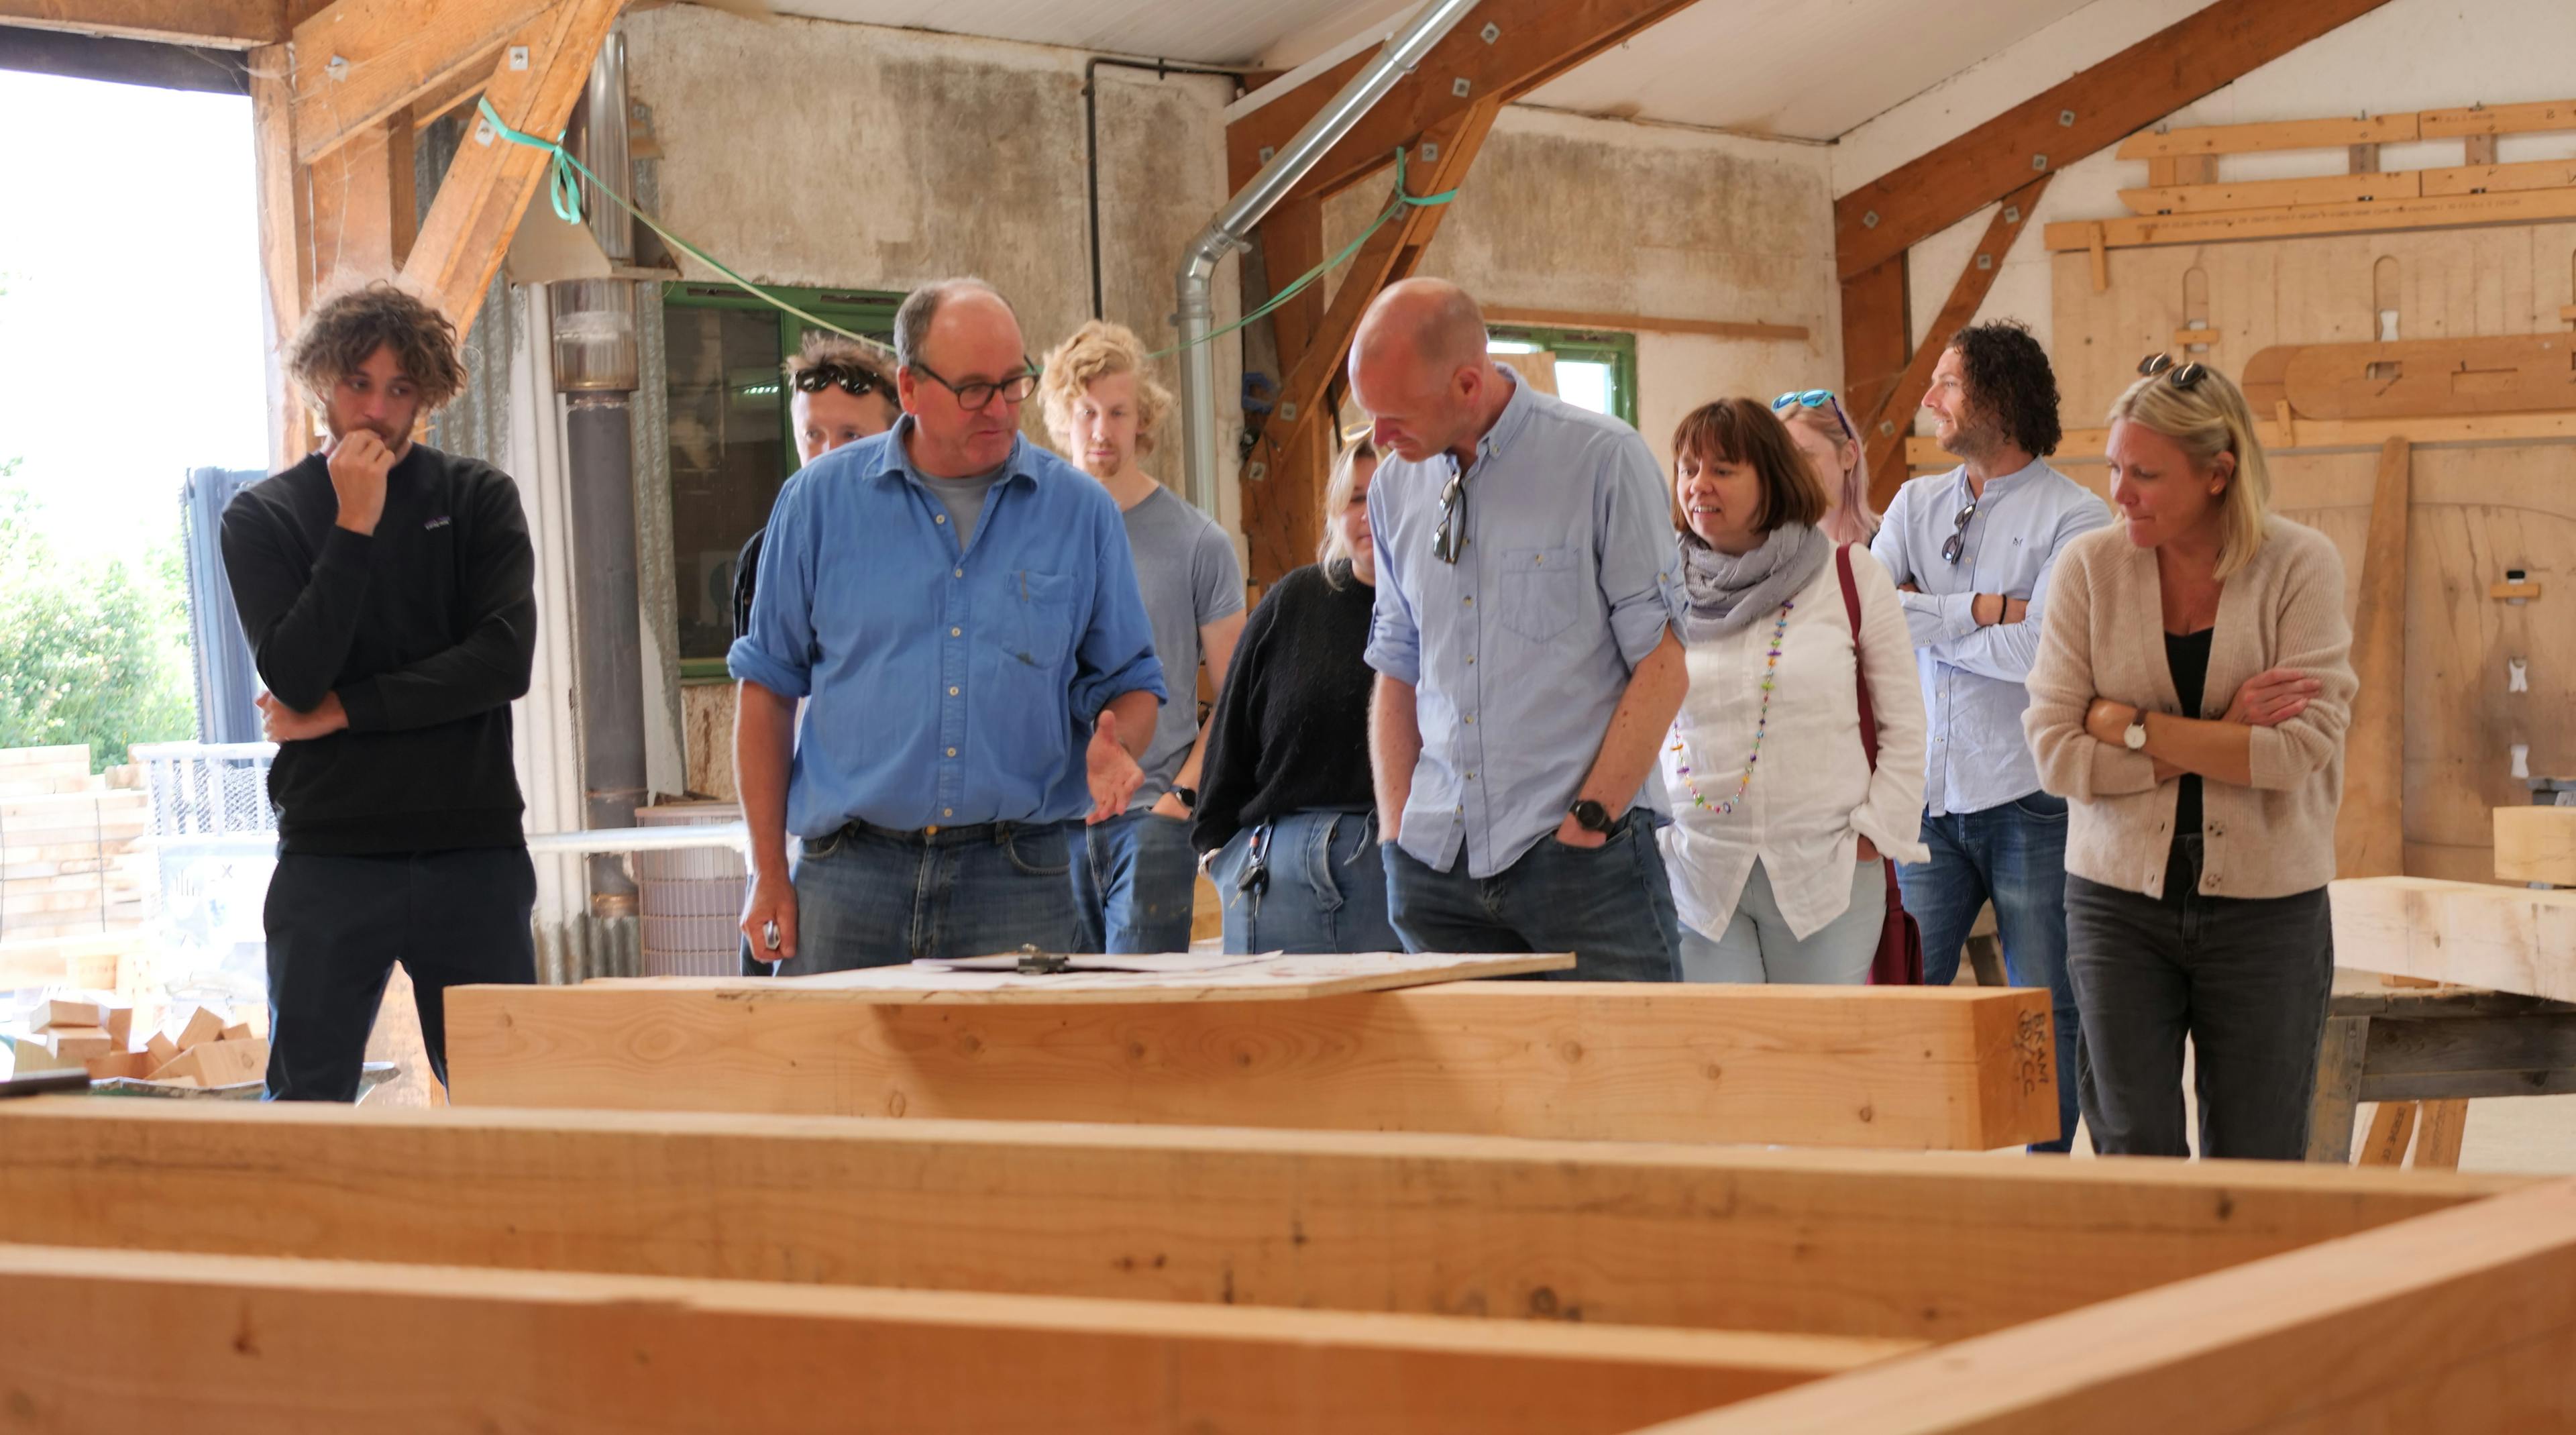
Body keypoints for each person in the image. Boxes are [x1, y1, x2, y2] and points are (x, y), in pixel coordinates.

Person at [729, 278, 1165, 972]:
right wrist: (766, 870)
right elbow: (767, 693)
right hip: (849, 877)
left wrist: (1119, 744)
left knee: (1020, 1083)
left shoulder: (1081, 514)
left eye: (1012, 384)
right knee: (838, 1082)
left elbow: (1134, 684)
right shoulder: (816, 504)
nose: (998, 409)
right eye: (972, 389)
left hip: (1019, 877)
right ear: (909, 387)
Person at [2025, 356, 2353, 1161]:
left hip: (2269, 908)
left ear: (2219, 472)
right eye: (2113, 468)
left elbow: (2299, 751)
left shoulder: (2299, 567)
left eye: (2145, 473)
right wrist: (2223, 733)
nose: (2120, 493)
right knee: (2134, 1149)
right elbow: (2056, 754)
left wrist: (2126, 723)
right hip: (2114, 904)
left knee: (2261, 1153)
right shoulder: (2088, 570)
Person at [220, 282, 538, 1101]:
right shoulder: (263, 517)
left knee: (507, 1103)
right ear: (322, 380)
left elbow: (502, 663)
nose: (376, 410)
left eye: (400, 390)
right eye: (358, 383)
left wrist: (341, 711)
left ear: (426, 396)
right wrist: (354, 523)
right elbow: (293, 673)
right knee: (307, 1105)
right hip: (331, 853)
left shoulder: (478, 499)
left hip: (472, 850)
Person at [1356, 278, 1687, 978]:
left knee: (1636, 1084)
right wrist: (1396, 838)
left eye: (1394, 417)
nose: (1377, 440)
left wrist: (1588, 826)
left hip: (1581, 868)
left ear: (1468, 385)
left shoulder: (1603, 460)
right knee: (1474, 1091)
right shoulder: (1393, 487)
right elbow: (1397, 666)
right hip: (1436, 870)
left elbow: (1662, 666)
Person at [1870, 319, 2107, 1153]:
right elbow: (1870, 617)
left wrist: (1927, 616)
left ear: (1999, 400)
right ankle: (1910, 1169)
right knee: (1904, 996)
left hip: (2028, 801)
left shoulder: (2078, 517)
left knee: (2043, 1008)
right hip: (1925, 806)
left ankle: (2044, 1176)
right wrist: (1985, 608)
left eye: (1948, 383)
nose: (1929, 400)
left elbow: (2048, 652)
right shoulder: (1913, 502)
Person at [1657, 398, 1928, 984]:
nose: (1699, 485)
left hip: (1825, 874)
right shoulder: (1659, 589)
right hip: (1699, 875)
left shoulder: (1850, 574)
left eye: (1722, 470)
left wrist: (1873, 837)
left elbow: (1904, 725)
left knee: (1815, 1065)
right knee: (1723, 1066)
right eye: (1687, 469)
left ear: (1772, 479)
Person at [1040, 321, 1245, 953]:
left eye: (1118, 412)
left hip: (1151, 820)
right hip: (1046, 824)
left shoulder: (1197, 542)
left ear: (1142, 419)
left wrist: (1182, 799)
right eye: (1086, 412)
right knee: (1054, 1025)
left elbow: (1238, 696)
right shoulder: (1029, 533)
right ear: (1062, 419)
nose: (1101, 431)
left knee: (1140, 1024)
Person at [1193, 437, 1402, 954]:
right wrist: (1219, 854)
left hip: (1394, 872)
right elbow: (1229, 737)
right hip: (1272, 874)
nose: (1370, 515)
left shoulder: (1447, 610)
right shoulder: (1293, 602)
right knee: (1264, 1037)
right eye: (1355, 499)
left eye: (1388, 497)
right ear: (1335, 511)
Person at [730, 333, 900, 639]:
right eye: (813, 435)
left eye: (852, 436)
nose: (829, 454)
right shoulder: (767, 555)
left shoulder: (934, 546)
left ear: (895, 441)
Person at [1771, 388, 1879, 547]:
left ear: (1848, 456)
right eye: (1784, 459)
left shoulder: (1887, 546)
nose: (1791, 471)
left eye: (1806, 456)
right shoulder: (1771, 553)